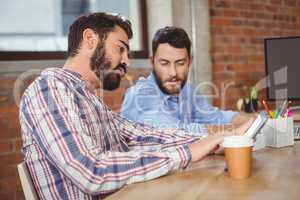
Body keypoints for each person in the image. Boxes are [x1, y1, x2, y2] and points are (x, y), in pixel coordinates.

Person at [19, 13, 250, 199]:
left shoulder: (91, 102)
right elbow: (92, 172)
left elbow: (144, 134)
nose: (127, 61)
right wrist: (188, 152)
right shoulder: (49, 89)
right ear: (90, 39)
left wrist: (212, 141)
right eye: (120, 48)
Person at [121, 26, 253, 136]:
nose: (173, 72)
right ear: (152, 62)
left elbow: (217, 117)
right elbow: (177, 133)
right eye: (165, 63)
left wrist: (255, 121)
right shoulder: (140, 96)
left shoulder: (188, 91)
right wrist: (234, 131)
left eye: (180, 63)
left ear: (189, 62)